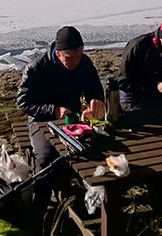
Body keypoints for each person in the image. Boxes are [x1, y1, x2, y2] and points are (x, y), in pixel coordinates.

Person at [16, 26, 105, 173]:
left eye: (79, 56)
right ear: (58, 54)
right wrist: (54, 110)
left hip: (72, 116)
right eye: (70, 58)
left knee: (94, 148)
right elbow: (23, 102)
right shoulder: (37, 68)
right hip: (41, 120)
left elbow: (94, 88)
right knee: (46, 158)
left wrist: (96, 99)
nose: (76, 62)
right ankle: (41, 193)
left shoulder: (84, 63)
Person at [116, 15, 162, 112]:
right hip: (132, 97)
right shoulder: (138, 46)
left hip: (158, 96)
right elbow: (122, 82)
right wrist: (155, 85)